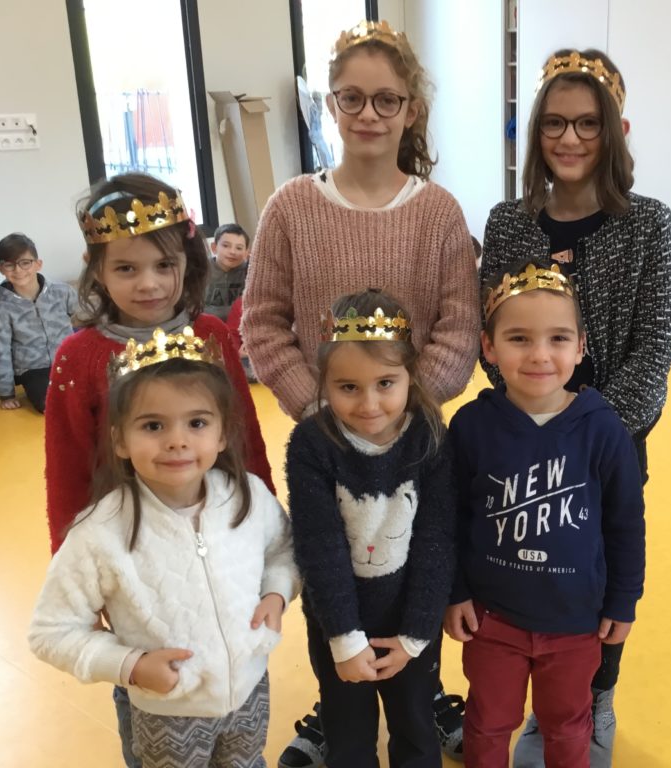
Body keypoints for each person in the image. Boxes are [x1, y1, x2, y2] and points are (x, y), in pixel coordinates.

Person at [241, 20, 479, 767]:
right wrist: (325, 410)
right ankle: (340, 700)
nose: (368, 114)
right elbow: (262, 321)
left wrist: (399, 412)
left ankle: (415, 689)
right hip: (328, 441)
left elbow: (459, 327)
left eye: (386, 100)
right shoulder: (290, 207)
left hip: (415, 443)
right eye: (352, 98)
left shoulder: (438, 212)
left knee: (416, 565)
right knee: (333, 564)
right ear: (331, 105)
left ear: (411, 109)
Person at [478, 48, 671, 766]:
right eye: (555, 123)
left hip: (610, 444)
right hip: (518, 439)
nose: (569, 138)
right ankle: (538, 704)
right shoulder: (509, 222)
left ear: (613, 132)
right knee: (528, 570)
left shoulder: (648, 223)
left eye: (587, 123)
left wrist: (585, 434)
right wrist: (529, 424)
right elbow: (492, 333)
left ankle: (593, 701)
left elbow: (654, 349)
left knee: (595, 575)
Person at [45, 172, 274, 768]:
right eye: (126, 268)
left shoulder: (211, 335)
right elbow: (66, 473)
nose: (148, 283)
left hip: (215, 539)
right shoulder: (78, 357)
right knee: (150, 699)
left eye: (163, 265)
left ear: (187, 263)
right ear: (97, 271)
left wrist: (261, 525)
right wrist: (75, 569)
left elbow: (245, 442)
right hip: (133, 554)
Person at [29, 332, 299, 768]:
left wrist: (277, 592)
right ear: (120, 440)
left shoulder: (247, 495)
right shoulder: (101, 532)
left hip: (251, 691)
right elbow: (50, 632)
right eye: (153, 426)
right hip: (168, 713)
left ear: (223, 433)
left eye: (197, 423)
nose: (177, 440)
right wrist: (130, 665)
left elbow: (283, 549)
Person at [445, 259, 645, 768]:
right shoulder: (470, 427)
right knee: (487, 722)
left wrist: (623, 600)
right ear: (489, 347)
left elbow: (624, 524)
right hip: (492, 620)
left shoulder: (604, 429)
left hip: (576, 622)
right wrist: (456, 592)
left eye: (558, 338)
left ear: (580, 347)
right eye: (519, 338)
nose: (539, 355)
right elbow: (450, 518)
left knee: (568, 724)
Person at [286, 290, 455, 768]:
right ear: (324, 381)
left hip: (409, 621)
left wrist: (415, 635)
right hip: (338, 622)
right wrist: (344, 639)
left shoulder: (429, 437)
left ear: (410, 376)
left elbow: (437, 540)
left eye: (385, 383)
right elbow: (318, 547)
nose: (369, 404)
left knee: (417, 729)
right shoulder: (311, 444)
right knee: (348, 734)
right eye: (348, 387)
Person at [0, 232, 77, 412]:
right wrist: (6, 394)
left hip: (68, 360)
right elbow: (1, 351)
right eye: (9, 265)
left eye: (25, 262)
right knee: (51, 405)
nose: (18, 270)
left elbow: (81, 321)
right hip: (33, 369)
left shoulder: (63, 292)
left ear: (38, 264)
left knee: (93, 395)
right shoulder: (1, 309)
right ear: (1, 269)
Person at [204, 223, 250, 321]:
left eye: (239, 248)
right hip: (207, 323)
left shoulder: (250, 271)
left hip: (240, 323)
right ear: (214, 248)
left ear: (246, 252)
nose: (232, 252)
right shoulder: (201, 270)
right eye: (226, 246)